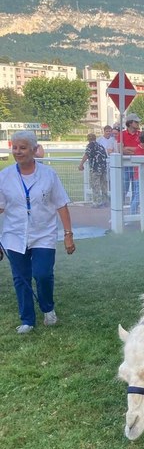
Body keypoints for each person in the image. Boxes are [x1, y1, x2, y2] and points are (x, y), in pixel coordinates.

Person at [0, 131, 76, 334]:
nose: (18, 152)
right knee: (21, 277)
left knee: (42, 274)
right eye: (15, 147)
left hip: (44, 234)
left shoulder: (48, 175)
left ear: (34, 150)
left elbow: (61, 204)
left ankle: (47, 308)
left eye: (23, 148)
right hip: (14, 235)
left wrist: (68, 234)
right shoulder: (4, 176)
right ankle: (27, 320)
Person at [121, 113, 144, 215]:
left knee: (137, 191)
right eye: (136, 122)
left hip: (137, 166)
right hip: (126, 166)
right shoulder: (122, 134)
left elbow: (142, 149)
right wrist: (136, 150)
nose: (138, 123)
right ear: (130, 123)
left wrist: (129, 149)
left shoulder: (140, 134)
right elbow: (121, 150)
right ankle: (120, 213)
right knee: (124, 190)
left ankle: (132, 213)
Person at [78, 132, 109, 207]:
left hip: (95, 168)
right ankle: (105, 201)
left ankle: (97, 202)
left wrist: (81, 164)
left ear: (88, 139)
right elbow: (105, 156)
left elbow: (87, 155)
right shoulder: (101, 146)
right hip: (103, 168)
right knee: (103, 185)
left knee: (95, 185)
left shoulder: (90, 146)